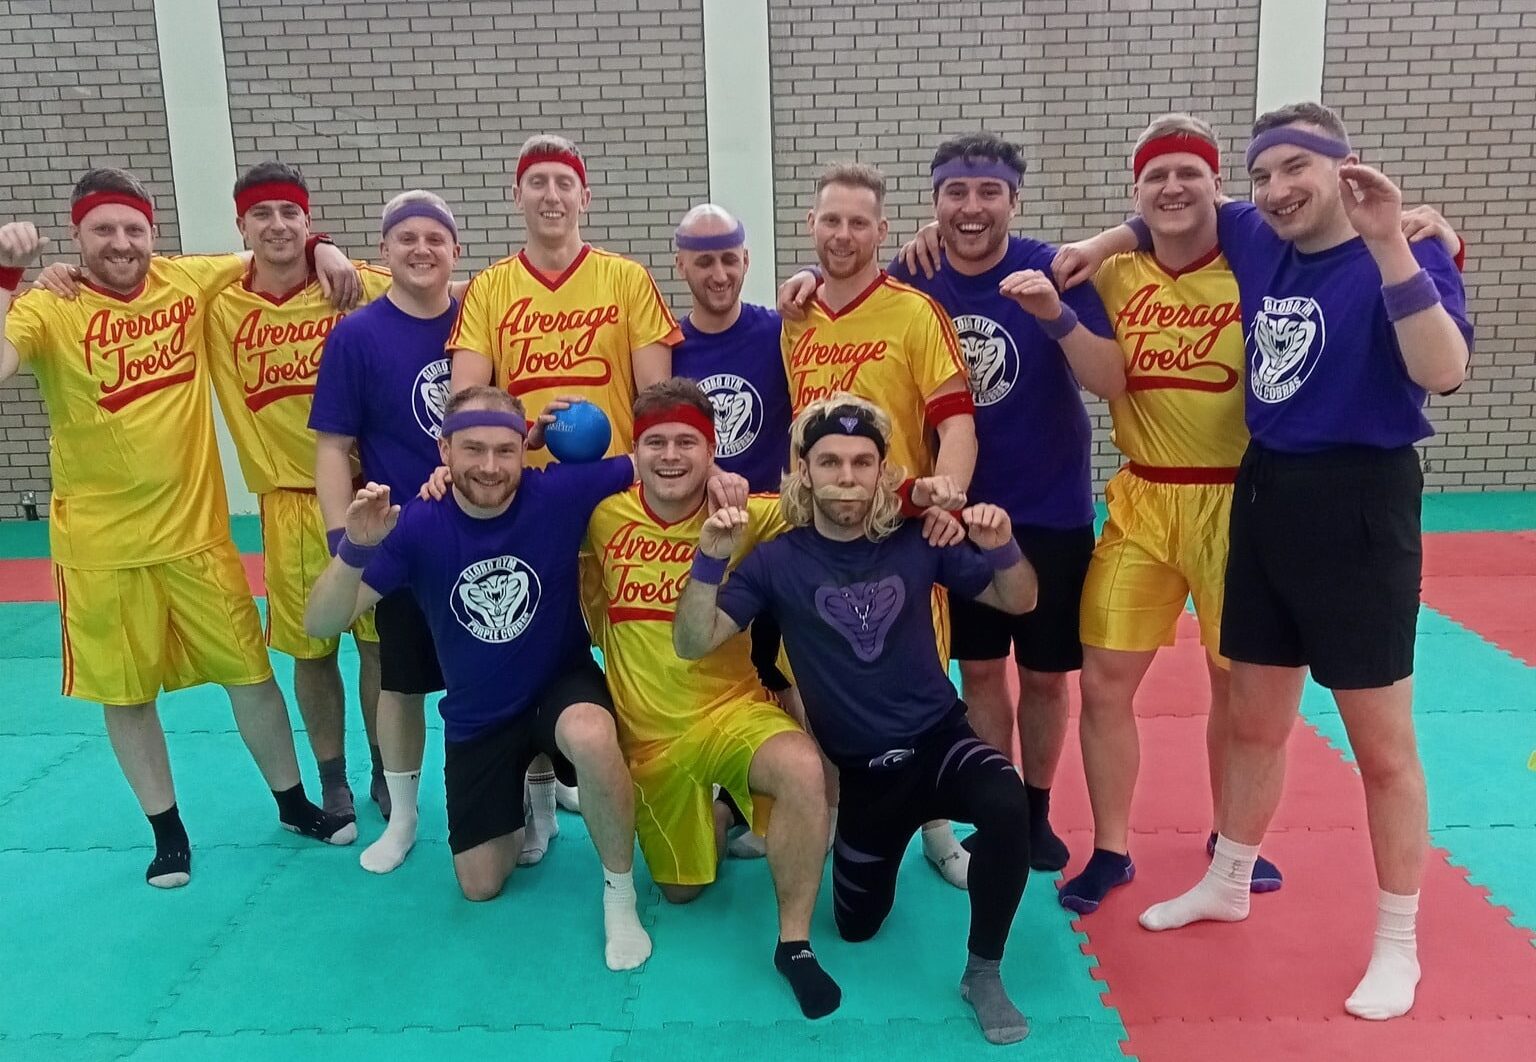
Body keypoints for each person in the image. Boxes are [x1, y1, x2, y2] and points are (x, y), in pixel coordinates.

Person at [1063, 102, 1473, 1021]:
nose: (1278, 190)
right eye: (1263, 174)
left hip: (1361, 497)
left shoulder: (1408, 252)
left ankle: (1398, 942)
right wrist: (1102, 240)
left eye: (1297, 168)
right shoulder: (1256, 236)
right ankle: (1229, 877)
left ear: (1345, 169)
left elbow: (1442, 371)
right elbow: (1170, 210)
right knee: (1252, 716)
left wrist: (1396, 241)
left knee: (1382, 747)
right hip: (1263, 493)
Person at [0, 168, 359, 887]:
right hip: (99, 548)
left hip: (198, 538)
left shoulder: (187, 281)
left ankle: (294, 805)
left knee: (251, 675)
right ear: (76, 235)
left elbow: (274, 247)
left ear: (152, 232)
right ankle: (167, 831)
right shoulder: (48, 306)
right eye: (103, 230)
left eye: (132, 228)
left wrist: (325, 246)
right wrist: (7, 276)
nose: (121, 243)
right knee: (126, 694)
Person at [785, 135, 1125, 874]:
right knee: (977, 672)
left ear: (1014, 200)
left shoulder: (1052, 269)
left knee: (1045, 675)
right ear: (934, 204)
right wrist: (808, 274)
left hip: (1044, 503)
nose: (972, 207)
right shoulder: (911, 272)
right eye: (956, 193)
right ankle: (990, 808)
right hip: (942, 514)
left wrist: (1059, 310)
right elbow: (848, 267)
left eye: (988, 192)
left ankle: (1034, 808)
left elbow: (1110, 379)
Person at [674, 395, 1037, 1045]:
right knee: (856, 927)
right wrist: (709, 557)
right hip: (867, 780)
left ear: (882, 472)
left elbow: (1021, 599)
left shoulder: (919, 540)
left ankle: (983, 971)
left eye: (862, 462)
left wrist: (1002, 545)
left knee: (1008, 801)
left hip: (940, 743)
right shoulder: (776, 562)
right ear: (805, 471)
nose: (847, 476)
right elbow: (693, 641)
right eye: (831, 462)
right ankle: (874, 853)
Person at [305, 386, 653, 971]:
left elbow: (660, 460)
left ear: (524, 449)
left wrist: (723, 483)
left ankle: (620, 898)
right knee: (480, 883)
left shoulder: (558, 493)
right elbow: (321, 622)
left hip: (560, 689)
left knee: (593, 736)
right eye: (473, 450)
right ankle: (526, 799)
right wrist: (356, 550)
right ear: (444, 450)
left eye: (504, 450)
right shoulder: (418, 525)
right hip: (480, 716)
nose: (490, 466)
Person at [447, 133, 683, 846]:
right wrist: (523, 437)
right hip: (525, 501)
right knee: (526, 649)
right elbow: (466, 401)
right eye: (537, 182)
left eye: (563, 182)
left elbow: (658, 401)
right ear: (516, 195)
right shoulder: (491, 288)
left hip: (617, 501)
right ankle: (541, 802)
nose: (551, 195)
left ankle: (664, 783)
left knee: (643, 646)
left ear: (586, 196)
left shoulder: (626, 279)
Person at [584, 376, 837, 1018]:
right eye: (657, 443)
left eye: (688, 443)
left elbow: (835, 496)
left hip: (733, 711)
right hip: (650, 740)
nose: (671, 456)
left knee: (803, 768)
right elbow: (511, 500)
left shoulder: (745, 513)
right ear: (635, 451)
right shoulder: (601, 516)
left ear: (712, 449)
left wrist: (931, 497)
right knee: (680, 894)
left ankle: (795, 944)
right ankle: (725, 813)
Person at [778, 161, 979, 887]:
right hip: (817, 532)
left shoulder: (914, 313)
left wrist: (947, 497)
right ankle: (831, 813)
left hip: (898, 530)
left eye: (858, 222)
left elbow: (955, 422)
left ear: (881, 230)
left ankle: (936, 826)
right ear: (811, 225)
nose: (843, 234)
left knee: (917, 677)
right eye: (831, 220)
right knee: (821, 677)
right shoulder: (795, 319)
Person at [202, 161, 393, 824]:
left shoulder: (354, 284)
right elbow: (144, 282)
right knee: (312, 650)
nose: (278, 225)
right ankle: (332, 775)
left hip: (369, 493)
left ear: (308, 220)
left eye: (291, 214)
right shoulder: (218, 303)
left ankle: (385, 767)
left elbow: (438, 288)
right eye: (263, 214)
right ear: (241, 225)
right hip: (288, 501)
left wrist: (327, 252)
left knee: (379, 644)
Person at [308, 189, 463, 874]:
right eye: (407, 238)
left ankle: (535, 797)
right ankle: (403, 816)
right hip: (405, 536)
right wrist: (344, 539)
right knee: (401, 682)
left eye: (435, 238)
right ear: (384, 252)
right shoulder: (357, 336)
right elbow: (332, 446)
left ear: (455, 251)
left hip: (487, 526)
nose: (421, 249)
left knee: (516, 668)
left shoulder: (480, 317)